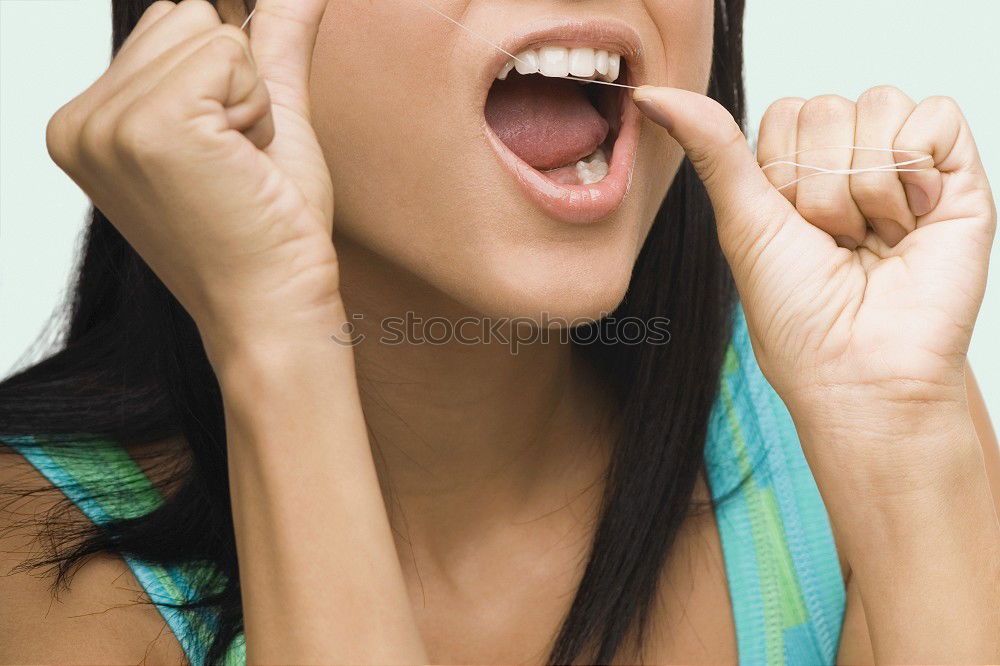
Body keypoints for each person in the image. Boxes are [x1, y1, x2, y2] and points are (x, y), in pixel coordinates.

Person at [2, 0, 998, 663]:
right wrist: (277, 351)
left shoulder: (850, 422)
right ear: (225, 17)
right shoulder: (37, 563)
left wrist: (907, 452)